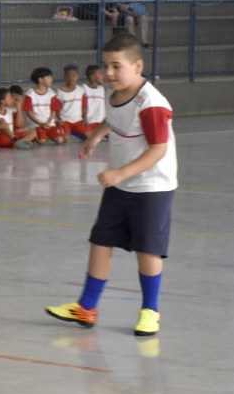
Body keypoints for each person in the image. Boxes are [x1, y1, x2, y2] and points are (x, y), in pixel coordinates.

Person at [46, 33, 177, 337]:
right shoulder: (115, 92)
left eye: (116, 66)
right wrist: (94, 136)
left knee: (147, 250)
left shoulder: (152, 103)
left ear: (138, 65)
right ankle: (86, 307)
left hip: (151, 186)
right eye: (106, 66)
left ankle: (150, 311)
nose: (108, 73)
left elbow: (158, 150)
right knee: (101, 241)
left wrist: (120, 174)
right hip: (123, 184)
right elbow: (114, 116)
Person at [24, 67, 67, 145]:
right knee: (42, 142)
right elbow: (28, 112)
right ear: (40, 80)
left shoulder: (52, 93)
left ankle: (47, 135)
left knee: (60, 140)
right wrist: (40, 123)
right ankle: (37, 137)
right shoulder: (30, 94)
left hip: (49, 124)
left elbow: (53, 110)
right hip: (36, 124)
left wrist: (49, 121)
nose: (51, 79)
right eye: (48, 77)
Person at [57, 65, 90, 141]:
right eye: (68, 76)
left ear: (78, 76)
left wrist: (85, 118)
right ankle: (65, 131)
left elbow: (83, 106)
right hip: (65, 120)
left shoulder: (81, 90)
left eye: (73, 75)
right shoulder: (60, 91)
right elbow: (57, 108)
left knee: (91, 136)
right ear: (64, 77)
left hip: (78, 120)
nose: (71, 78)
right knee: (65, 139)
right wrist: (59, 119)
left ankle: (74, 132)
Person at [82, 65, 106, 135]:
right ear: (92, 77)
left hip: (101, 122)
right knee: (91, 136)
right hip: (90, 121)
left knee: (112, 136)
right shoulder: (84, 88)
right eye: (100, 73)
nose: (102, 75)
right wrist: (85, 119)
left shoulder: (101, 89)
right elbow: (83, 106)